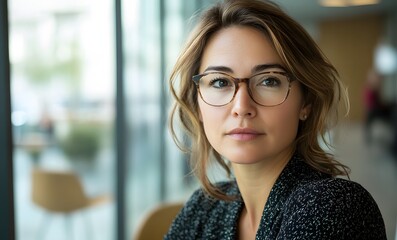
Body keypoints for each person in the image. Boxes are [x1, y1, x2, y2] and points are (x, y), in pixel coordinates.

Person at [165, 0, 386, 239]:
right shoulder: (203, 208)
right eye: (220, 82)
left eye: (269, 81)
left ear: (306, 102)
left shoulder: (332, 207)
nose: (242, 107)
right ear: (197, 103)